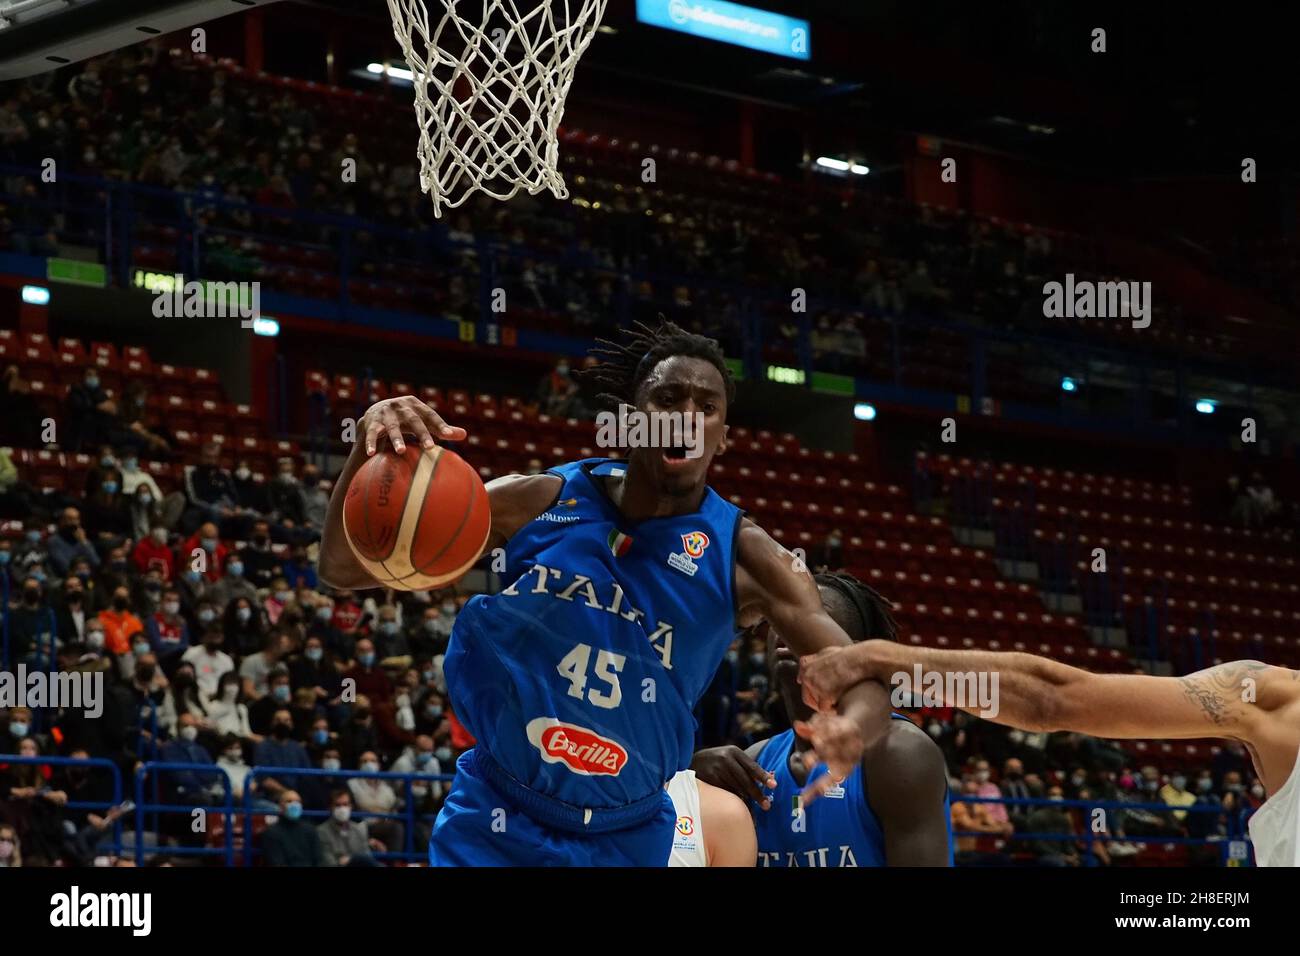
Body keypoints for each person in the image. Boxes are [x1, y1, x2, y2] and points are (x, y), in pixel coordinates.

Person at [319, 321, 889, 867]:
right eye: (668, 399)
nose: (687, 417)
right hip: (497, 812)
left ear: (722, 436)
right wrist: (369, 453)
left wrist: (851, 728)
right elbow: (342, 569)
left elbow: (863, 677)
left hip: (627, 834)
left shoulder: (748, 559)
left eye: (707, 407)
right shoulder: (540, 500)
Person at [799, 645, 1300, 867]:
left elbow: (1051, 700)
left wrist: (884, 663)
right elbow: (1050, 698)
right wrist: (885, 663)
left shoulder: (1277, 700)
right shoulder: (1277, 699)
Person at [692, 572, 952, 866]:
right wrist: (691, 785)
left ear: (855, 649)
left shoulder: (898, 752)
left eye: (812, 618)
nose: (788, 627)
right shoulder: (751, 762)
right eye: (780, 616)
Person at [318, 789, 383, 866]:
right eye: (338, 805)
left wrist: (350, 859)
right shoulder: (322, 832)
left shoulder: (359, 830)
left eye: (345, 804)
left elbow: (367, 858)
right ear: (330, 807)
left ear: (351, 806)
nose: (342, 809)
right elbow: (329, 863)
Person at [261, 790, 324, 867]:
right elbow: (277, 862)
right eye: (289, 801)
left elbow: (318, 859)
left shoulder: (310, 830)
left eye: (298, 802)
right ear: (280, 806)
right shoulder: (271, 833)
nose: (294, 805)